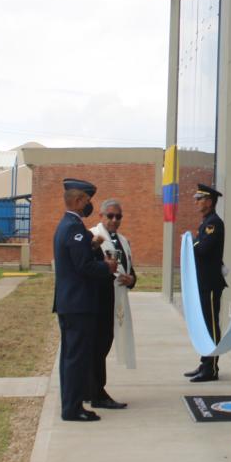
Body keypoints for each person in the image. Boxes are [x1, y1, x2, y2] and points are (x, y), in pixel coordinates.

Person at [51, 178, 119, 423]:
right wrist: (107, 266)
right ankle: (72, 408)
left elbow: (77, 257)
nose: (90, 206)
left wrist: (93, 246)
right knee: (75, 358)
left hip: (72, 303)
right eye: (88, 201)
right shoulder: (72, 227)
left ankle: (72, 404)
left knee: (72, 356)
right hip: (78, 304)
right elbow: (83, 267)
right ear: (79, 200)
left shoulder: (69, 225)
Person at [88, 198, 137, 409]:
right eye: (110, 216)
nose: (115, 220)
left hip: (117, 299)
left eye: (118, 217)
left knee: (104, 345)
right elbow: (86, 267)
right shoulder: (92, 236)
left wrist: (132, 280)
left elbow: (130, 270)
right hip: (98, 300)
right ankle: (97, 392)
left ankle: (91, 389)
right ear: (101, 216)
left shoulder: (123, 241)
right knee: (96, 347)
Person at [184, 182, 226, 382]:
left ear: (209, 201)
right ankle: (204, 363)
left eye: (199, 199)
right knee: (204, 324)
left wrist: (191, 240)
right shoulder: (206, 222)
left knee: (210, 325)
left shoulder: (213, 224)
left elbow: (202, 249)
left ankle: (212, 368)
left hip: (210, 283)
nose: (196, 202)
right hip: (203, 282)